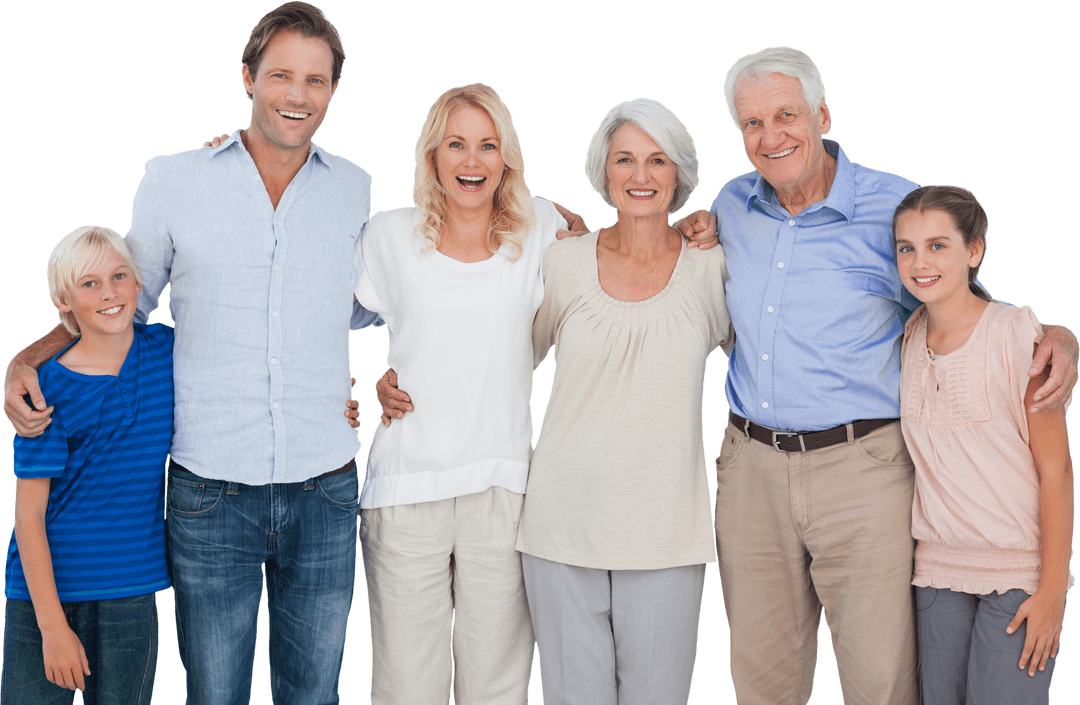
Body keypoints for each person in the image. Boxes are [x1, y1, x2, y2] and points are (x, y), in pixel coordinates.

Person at [675, 46, 1078, 704]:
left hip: (862, 471)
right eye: (751, 124)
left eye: (786, 115)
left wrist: (1058, 335)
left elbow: (964, 303)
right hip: (750, 468)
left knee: (881, 682)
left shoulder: (892, 208)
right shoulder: (732, 204)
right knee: (760, 677)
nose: (770, 136)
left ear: (823, 114)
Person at [2, 4, 375, 703]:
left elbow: (362, 305)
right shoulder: (175, 179)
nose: (298, 94)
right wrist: (28, 357)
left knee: (316, 691)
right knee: (213, 693)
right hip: (210, 492)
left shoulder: (354, 187)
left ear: (332, 91)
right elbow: (119, 305)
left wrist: (535, 232)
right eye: (281, 75)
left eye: (316, 80)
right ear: (247, 77)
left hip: (326, 485)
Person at [354, 83, 569, 705]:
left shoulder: (544, 230)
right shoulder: (387, 235)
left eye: (487, 145)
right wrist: (370, 383)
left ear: (506, 159)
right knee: (405, 682)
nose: (471, 161)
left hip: (502, 488)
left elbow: (608, 262)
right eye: (456, 145)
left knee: (496, 684)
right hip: (405, 488)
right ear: (432, 156)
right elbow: (320, 318)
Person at [514, 97, 730, 705]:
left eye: (657, 161)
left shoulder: (710, 267)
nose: (641, 176)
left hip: (666, 535)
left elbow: (768, 353)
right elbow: (503, 361)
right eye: (626, 160)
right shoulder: (563, 261)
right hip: (560, 529)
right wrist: (397, 375)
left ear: (680, 176)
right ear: (603, 173)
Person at [893, 185, 1072, 705]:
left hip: (1017, 577)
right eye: (907, 247)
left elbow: (1056, 471)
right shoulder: (908, 338)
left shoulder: (1018, 336)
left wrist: (1053, 593)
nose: (920, 262)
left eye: (938, 245)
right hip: (935, 575)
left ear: (974, 252)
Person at [1, 226, 172, 704]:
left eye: (119, 276)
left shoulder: (166, 354)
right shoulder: (45, 389)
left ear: (140, 284)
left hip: (130, 589)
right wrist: (52, 627)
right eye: (89, 284)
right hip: (46, 593)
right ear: (63, 301)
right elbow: (28, 515)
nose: (109, 293)